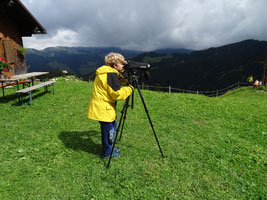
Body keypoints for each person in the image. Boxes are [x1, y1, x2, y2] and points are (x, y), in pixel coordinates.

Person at [87, 52, 134, 158]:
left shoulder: (107, 72)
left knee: (113, 126)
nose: (123, 66)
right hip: (103, 108)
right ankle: (107, 153)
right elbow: (117, 93)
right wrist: (130, 89)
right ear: (114, 65)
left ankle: (108, 148)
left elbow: (118, 81)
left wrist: (125, 70)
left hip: (103, 106)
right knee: (108, 131)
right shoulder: (110, 75)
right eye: (121, 64)